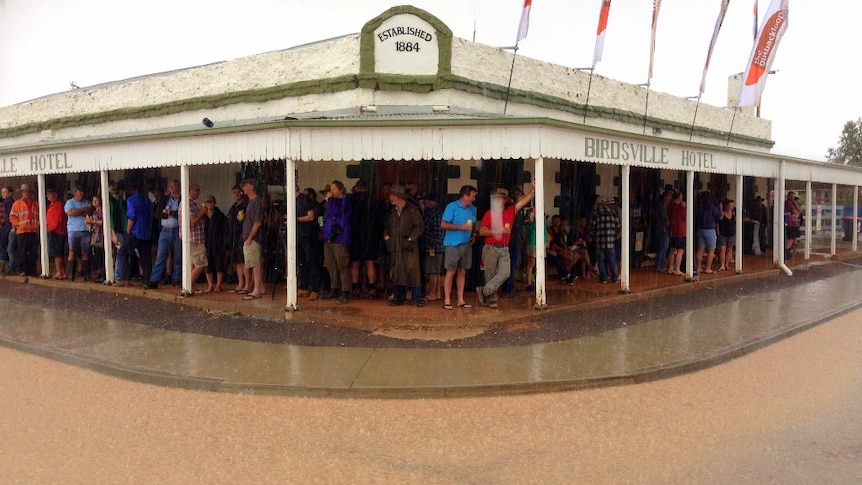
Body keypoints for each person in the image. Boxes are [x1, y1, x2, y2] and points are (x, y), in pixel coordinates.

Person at [476, 183, 535, 308]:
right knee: (490, 275)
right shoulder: (489, 213)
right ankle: (491, 299)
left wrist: (534, 189)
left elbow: (525, 200)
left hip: (504, 248)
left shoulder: (510, 211)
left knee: (505, 273)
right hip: (491, 247)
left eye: (500, 198)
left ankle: (484, 291)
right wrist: (499, 231)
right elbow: (481, 231)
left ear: (504, 200)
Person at [384, 184, 425, 306]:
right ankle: (398, 297)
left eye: (391, 195)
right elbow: (387, 227)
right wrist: (387, 237)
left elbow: (419, 226)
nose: (390, 197)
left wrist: (411, 239)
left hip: (410, 247)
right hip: (395, 245)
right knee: (397, 271)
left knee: (413, 272)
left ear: (397, 196)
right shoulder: (392, 212)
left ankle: (417, 298)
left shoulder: (413, 210)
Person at [441, 185, 477, 310]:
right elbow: (443, 224)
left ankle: (460, 299)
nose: (474, 198)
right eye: (472, 196)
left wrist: (474, 234)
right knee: (451, 271)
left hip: (466, 244)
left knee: (462, 271)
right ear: (465, 195)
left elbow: (473, 223)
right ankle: (447, 299)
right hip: (452, 244)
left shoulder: (472, 208)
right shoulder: (452, 206)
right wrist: (460, 227)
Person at [114, 180, 153, 286]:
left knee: (123, 252)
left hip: (135, 232)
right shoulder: (147, 200)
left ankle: (122, 277)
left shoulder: (131, 200)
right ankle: (146, 279)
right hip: (146, 233)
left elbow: (132, 217)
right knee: (145, 258)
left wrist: (128, 231)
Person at [145, 179, 181, 289]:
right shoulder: (164, 199)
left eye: (174, 186)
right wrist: (168, 214)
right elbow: (158, 214)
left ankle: (176, 279)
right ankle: (154, 280)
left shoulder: (182, 199)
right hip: (165, 229)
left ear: (179, 187)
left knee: (177, 256)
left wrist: (170, 213)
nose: (172, 189)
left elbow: (181, 215)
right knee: (161, 255)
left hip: (177, 229)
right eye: (170, 186)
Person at [348, 179, 380, 298]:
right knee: (370, 262)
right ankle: (372, 288)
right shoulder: (373, 200)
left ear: (356, 188)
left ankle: (355, 288)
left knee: (355, 263)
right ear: (366, 188)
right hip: (369, 234)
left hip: (355, 234)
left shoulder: (351, 200)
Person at [322, 180, 352, 304]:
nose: (332, 191)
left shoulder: (345, 201)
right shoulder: (331, 202)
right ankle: (334, 288)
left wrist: (329, 200)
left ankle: (345, 290)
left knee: (342, 265)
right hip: (329, 236)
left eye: (334, 189)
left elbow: (337, 213)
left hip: (340, 237)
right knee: (331, 264)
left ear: (340, 189)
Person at [177, 183, 208, 295]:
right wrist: (202, 212)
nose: (198, 193)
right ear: (189, 190)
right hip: (194, 239)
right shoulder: (187, 204)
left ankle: (191, 287)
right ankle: (187, 285)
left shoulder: (190, 204)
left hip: (192, 238)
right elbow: (192, 222)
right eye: (196, 191)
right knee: (201, 264)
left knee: (192, 264)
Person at [239, 179, 266, 300]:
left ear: (251, 186)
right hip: (249, 237)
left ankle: (256, 290)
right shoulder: (250, 202)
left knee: (255, 264)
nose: (243, 189)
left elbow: (257, 222)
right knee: (253, 263)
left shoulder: (256, 202)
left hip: (254, 238)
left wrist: (250, 237)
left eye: (244, 186)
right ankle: (260, 287)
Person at [296, 187, 322, 301]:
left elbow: (317, 218)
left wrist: (321, 231)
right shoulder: (295, 201)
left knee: (311, 262)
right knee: (302, 262)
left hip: (310, 235)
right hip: (300, 235)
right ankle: (304, 286)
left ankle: (315, 288)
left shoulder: (316, 205)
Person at [589, 197, 621, 284]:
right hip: (610, 241)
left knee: (601, 260)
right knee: (612, 259)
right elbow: (618, 225)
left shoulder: (596, 213)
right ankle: (614, 278)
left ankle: (603, 278)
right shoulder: (613, 213)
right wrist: (614, 234)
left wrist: (592, 236)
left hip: (599, 241)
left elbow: (592, 227)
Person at [9, 184, 39, 277]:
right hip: (22, 231)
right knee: (22, 251)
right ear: (22, 193)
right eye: (25, 191)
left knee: (33, 252)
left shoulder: (36, 203)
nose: (27, 193)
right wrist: (18, 224)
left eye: (28, 191)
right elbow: (12, 216)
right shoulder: (17, 204)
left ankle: (32, 269)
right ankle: (23, 269)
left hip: (33, 230)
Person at [64, 186, 92, 281]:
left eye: (82, 193)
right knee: (72, 252)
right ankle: (71, 274)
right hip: (73, 230)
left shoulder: (87, 201)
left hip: (85, 229)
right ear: (75, 193)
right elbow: (70, 213)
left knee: (85, 253)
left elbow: (89, 211)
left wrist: (78, 211)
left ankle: (86, 275)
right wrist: (82, 210)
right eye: (79, 193)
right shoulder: (69, 202)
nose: (81, 195)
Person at [420, 192, 444, 301]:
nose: (423, 203)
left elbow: (437, 232)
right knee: (437, 271)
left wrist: (432, 245)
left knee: (432, 271)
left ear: (430, 201)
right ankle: (438, 292)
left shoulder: (432, 213)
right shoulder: (439, 212)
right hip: (439, 245)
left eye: (425, 201)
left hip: (433, 246)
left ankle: (432, 293)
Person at [226, 185, 249, 293]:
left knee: (244, 262)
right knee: (237, 262)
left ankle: (248, 284)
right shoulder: (233, 207)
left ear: (242, 193)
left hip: (243, 236)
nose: (236, 195)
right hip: (234, 237)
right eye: (234, 193)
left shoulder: (246, 205)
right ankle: (240, 283)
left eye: (237, 192)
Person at [202, 195, 227, 293]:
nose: (209, 204)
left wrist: (223, 242)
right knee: (208, 265)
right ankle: (210, 285)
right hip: (207, 243)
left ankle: (219, 285)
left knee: (219, 264)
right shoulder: (203, 216)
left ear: (214, 203)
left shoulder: (220, 215)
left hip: (218, 243)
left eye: (211, 202)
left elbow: (224, 230)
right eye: (207, 202)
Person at [695, 191, 720, 274]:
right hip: (710, 229)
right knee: (711, 250)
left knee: (700, 248)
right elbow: (719, 217)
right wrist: (721, 208)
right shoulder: (713, 207)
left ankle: (698, 267)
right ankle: (708, 268)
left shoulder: (699, 207)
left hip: (700, 229)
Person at [46, 189, 68, 280]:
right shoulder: (53, 205)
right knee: (58, 253)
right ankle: (62, 272)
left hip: (56, 231)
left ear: (55, 195)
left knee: (57, 253)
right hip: (55, 231)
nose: (47, 197)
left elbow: (57, 219)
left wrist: (51, 228)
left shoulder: (57, 205)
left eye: (49, 194)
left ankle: (60, 272)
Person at [87, 195, 105, 283]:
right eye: (93, 200)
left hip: (101, 235)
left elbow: (104, 222)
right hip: (95, 235)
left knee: (101, 255)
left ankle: (103, 274)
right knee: (96, 255)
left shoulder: (102, 211)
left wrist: (93, 222)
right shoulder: (94, 212)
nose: (94, 202)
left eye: (96, 200)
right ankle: (98, 273)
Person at [667, 190, 686, 276]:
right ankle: (677, 269)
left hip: (672, 230)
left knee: (672, 250)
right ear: (679, 198)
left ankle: (670, 268)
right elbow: (686, 217)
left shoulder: (670, 206)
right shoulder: (681, 207)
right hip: (680, 231)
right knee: (680, 251)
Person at [653, 188, 672, 272]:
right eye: (669, 196)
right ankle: (659, 265)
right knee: (662, 246)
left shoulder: (664, 205)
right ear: (665, 196)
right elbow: (664, 218)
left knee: (664, 246)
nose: (670, 198)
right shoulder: (662, 205)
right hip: (662, 229)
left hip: (662, 228)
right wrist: (668, 223)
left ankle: (661, 264)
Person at [717, 199, 736, 271]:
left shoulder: (733, 214)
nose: (731, 207)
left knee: (729, 250)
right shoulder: (722, 214)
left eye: (732, 205)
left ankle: (726, 264)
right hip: (723, 233)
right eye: (729, 205)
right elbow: (718, 223)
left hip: (731, 234)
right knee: (722, 249)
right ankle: (722, 265)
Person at [784, 191, 802, 259]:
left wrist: (795, 202)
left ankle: (791, 252)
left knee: (794, 239)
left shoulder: (794, 203)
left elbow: (799, 211)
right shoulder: (788, 203)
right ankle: (787, 251)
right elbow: (794, 211)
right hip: (790, 223)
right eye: (791, 196)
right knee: (790, 239)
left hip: (795, 224)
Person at [0, 186, 12, 275]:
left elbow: (6, 217)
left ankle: (4, 266)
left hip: (6, 227)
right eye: (2, 192)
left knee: (4, 247)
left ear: (10, 193)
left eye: (5, 192)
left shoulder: (7, 203)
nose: (3, 194)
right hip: (6, 227)